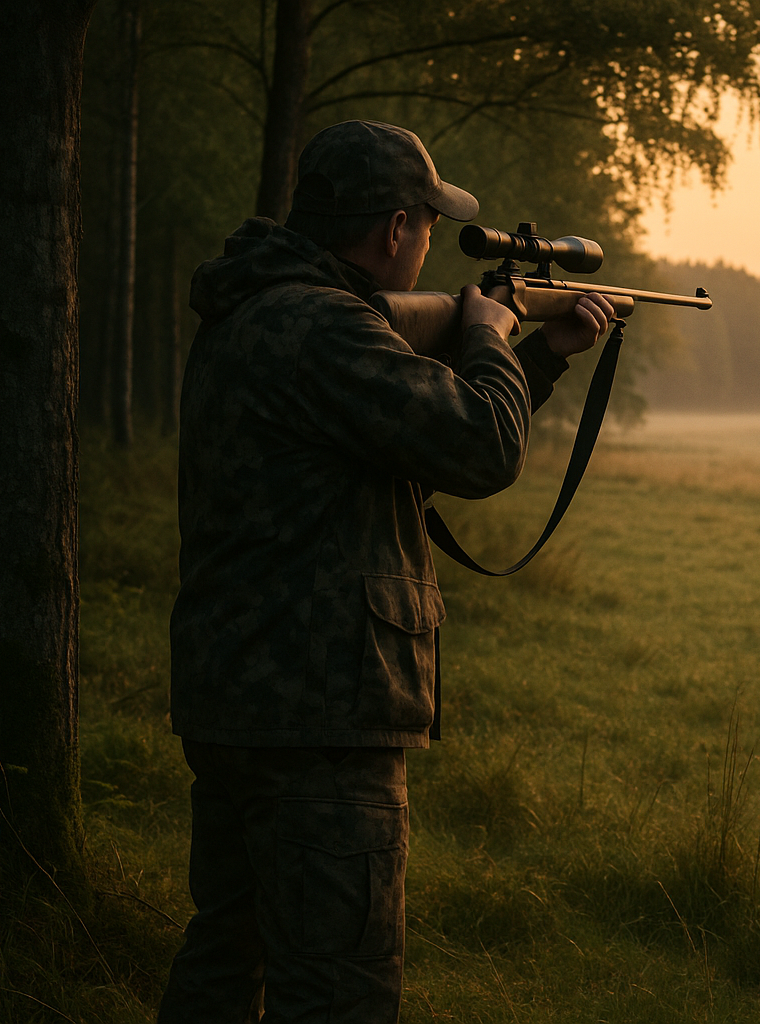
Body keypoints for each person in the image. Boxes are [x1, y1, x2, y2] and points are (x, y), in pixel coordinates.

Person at [157, 119, 613, 1023]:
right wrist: (487, 330)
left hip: (239, 702)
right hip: (319, 716)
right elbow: (479, 448)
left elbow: (397, 435)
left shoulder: (257, 314)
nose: (430, 243)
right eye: (428, 226)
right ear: (396, 228)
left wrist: (537, 358)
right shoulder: (326, 328)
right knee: (339, 992)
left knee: (223, 965)